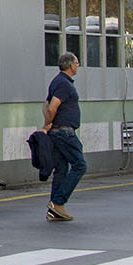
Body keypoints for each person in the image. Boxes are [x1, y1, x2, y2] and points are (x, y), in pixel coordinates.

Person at [42, 51, 86, 221]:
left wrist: (48, 124)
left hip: (58, 131)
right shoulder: (64, 84)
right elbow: (52, 107)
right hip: (64, 132)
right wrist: (48, 124)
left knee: (61, 169)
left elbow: (45, 105)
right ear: (70, 65)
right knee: (80, 165)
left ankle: (55, 209)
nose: (78, 66)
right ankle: (58, 201)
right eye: (77, 63)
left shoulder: (58, 82)